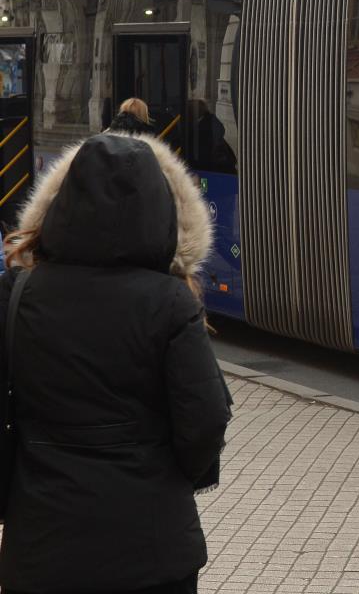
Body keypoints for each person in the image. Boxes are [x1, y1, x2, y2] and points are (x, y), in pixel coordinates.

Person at [0, 133, 232, 594]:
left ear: (61, 205)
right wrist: (173, 475)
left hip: (44, 541)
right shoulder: (170, 301)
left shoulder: (18, 292)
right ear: (162, 212)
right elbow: (205, 417)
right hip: (151, 545)